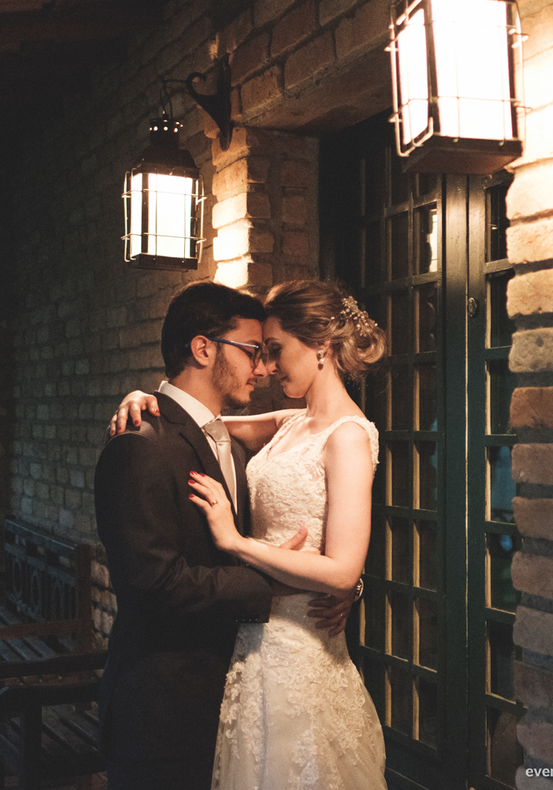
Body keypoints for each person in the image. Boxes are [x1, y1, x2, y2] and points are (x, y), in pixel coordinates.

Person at [112, 279, 389, 790]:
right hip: (240, 654)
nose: (266, 367)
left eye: (276, 350)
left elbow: (344, 566)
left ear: (322, 346)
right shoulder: (288, 423)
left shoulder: (348, 436)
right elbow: (203, 424)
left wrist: (241, 545)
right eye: (258, 352)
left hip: (299, 653)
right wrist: (145, 395)